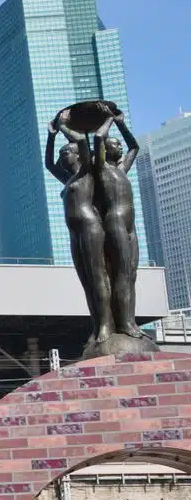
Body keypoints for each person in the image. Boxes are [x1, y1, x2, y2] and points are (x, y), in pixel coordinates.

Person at [46, 111, 112, 344]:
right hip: (75, 232)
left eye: (65, 152)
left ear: (77, 156)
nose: (62, 156)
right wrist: (51, 136)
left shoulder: (87, 172)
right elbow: (48, 164)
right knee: (86, 280)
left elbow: (83, 141)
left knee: (97, 276)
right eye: (61, 153)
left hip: (90, 227)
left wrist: (64, 126)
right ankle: (97, 325)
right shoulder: (69, 180)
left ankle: (106, 326)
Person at [92, 110, 144, 339]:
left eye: (119, 145)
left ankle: (130, 320)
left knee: (131, 274)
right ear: (106, 149)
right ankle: (124, 324)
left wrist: (122, 125)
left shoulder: (121, 170)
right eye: (115, 144)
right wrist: (109, 119)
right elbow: (97, 137)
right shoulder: (102, 168)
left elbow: (134, 147)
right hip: (116, 221)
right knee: (122, 273)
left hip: (130, 225)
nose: (120, 147)